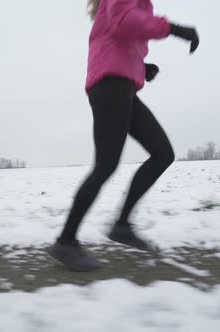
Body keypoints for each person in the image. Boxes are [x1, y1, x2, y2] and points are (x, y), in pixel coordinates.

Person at [48, 0, 199, 271]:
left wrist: (142, 68)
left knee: (163, 153)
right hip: (110, 85)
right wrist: (175, 29)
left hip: (121, 85)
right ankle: (66, 242)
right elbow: (125, 22)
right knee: (106, 165)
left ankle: (121, 226)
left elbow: (117, 40)